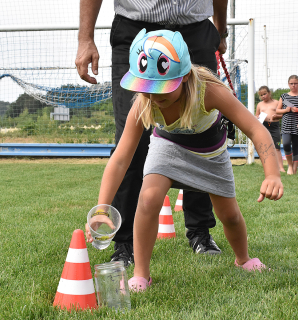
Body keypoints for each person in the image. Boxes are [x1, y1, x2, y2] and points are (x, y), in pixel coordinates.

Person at [86, 29, 284, 291]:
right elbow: (121, 159)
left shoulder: (209, 91)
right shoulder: (143, 102)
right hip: (167, 146)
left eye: (162, 91)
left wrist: (272, 174)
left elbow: (256, 129)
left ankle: (243, 259)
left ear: (185, 76)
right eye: (149, 90)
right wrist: (102, 207)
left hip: (210, 152)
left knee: (230, 216)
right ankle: (141, 274)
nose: (155, 98)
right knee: (148, 199)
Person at [76, 1, 230, 265]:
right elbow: (121, 158)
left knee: (201, 132)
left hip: (195, 31)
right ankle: (124, 242)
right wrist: (85, 38)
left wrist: (221, 28)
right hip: (136, 33)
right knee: (130, 141)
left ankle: (200, 233)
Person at [276, 75, 298, 175]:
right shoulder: (284, 96)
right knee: (286, 144)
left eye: (295, 83)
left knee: (296, 147)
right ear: (288, 84)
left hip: (297, 125)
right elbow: (277, 110)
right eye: (291, 83)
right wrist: (285, 110)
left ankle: (294, 169)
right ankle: (289, 165)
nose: (293, 85)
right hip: (286, 125)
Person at [256, 85, 285, 172]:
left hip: (274, 126)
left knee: (277, 147)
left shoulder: (276, 102)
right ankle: (268, 167)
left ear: (269, 93)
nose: (263, 96)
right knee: (265, 147)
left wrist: (277, 116)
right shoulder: (259, 104)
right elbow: (257, 115)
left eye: (265, 94)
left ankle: (281, 167)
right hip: (264, 126)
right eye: (261, 95)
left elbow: (282, 114)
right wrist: (257, 117)